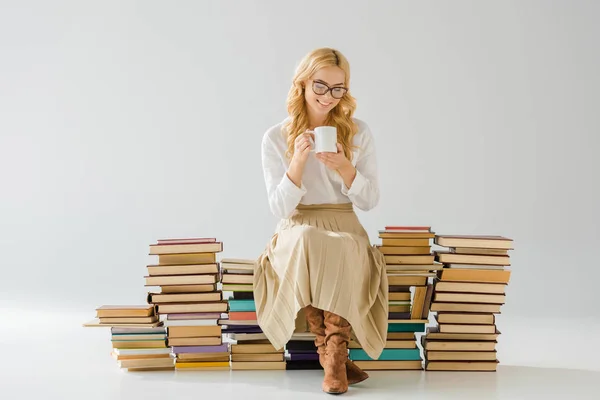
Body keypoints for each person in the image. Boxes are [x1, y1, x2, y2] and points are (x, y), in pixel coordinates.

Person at [254, 47, 388, 395]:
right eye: (320, 85)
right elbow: (280, 208)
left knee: (340, 245)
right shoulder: (275, 137)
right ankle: (334, 361)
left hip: (343, 221)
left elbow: (370, 200)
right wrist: (297, 162)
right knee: (310, 241)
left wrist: (345, 168)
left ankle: (332, 358)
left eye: (338, 88)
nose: (328, 96)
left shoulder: (357, 132)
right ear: (302, 83)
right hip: (298, 225)